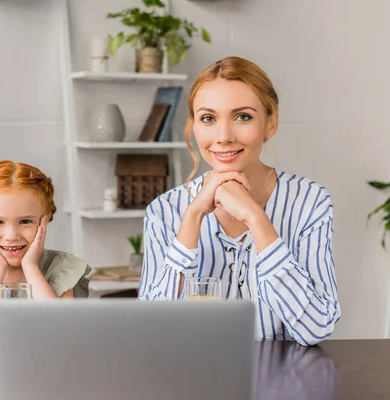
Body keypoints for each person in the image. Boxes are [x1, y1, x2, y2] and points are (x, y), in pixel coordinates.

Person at [138, 56, 340, 346]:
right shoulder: (164, 211)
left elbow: (316, 328)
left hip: (281, 384)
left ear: (271, 124)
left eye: (243, 117)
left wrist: (256, 218)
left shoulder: (310, 202)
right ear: (194, 126)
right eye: (208, 118)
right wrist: (192, 217)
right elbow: (152, 332)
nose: (223, 137)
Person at [0, 160, 90, 346]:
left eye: (25, 221)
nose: (11, 236)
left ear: (45, 221)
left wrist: (31, 267)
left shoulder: (61, 267)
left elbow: (63, 335)